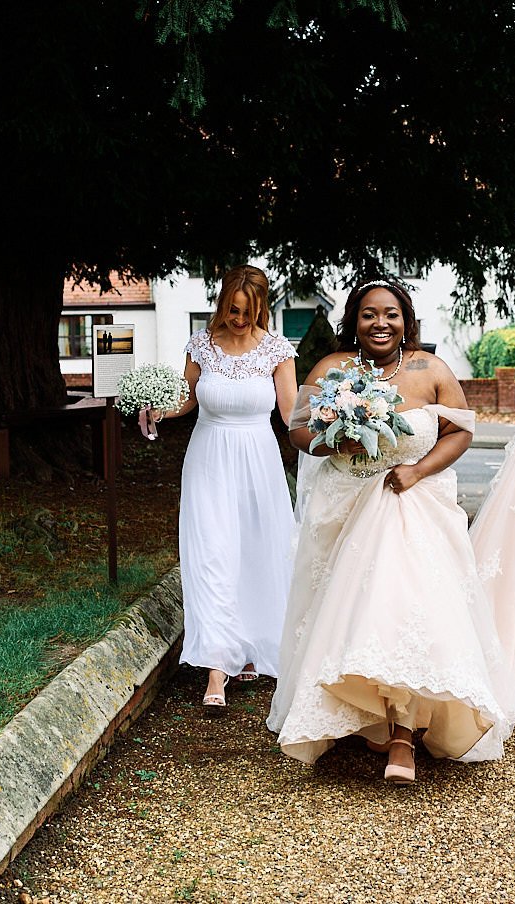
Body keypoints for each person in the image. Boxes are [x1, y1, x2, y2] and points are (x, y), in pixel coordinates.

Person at [268, 278, 515, 783]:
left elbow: (461, 430)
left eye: (391, 314)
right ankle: (355, 717)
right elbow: (298, 428)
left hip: (412, 502)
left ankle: (403, 733)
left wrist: (418, 471)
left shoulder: (431, 369)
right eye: (370, 314)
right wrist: (337, 444)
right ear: (354, 319)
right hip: (344, 504)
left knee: (406, 608)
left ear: (406, 319)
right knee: (344, 613)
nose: (381, 323)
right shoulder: (332, 369)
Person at [154, 265, 297, 714]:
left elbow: (291, 413)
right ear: (222, 305)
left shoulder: (277, 350)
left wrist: (337, 429)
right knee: (212, 553)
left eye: (248, 312)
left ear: (262, 309)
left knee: (257, 551)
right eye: (233, 310)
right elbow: (187, 398)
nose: (239, 319)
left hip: (258, 459)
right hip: (209, 457)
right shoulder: (201, 345)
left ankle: (252, 647)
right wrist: (157, 408)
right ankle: (218, 664)